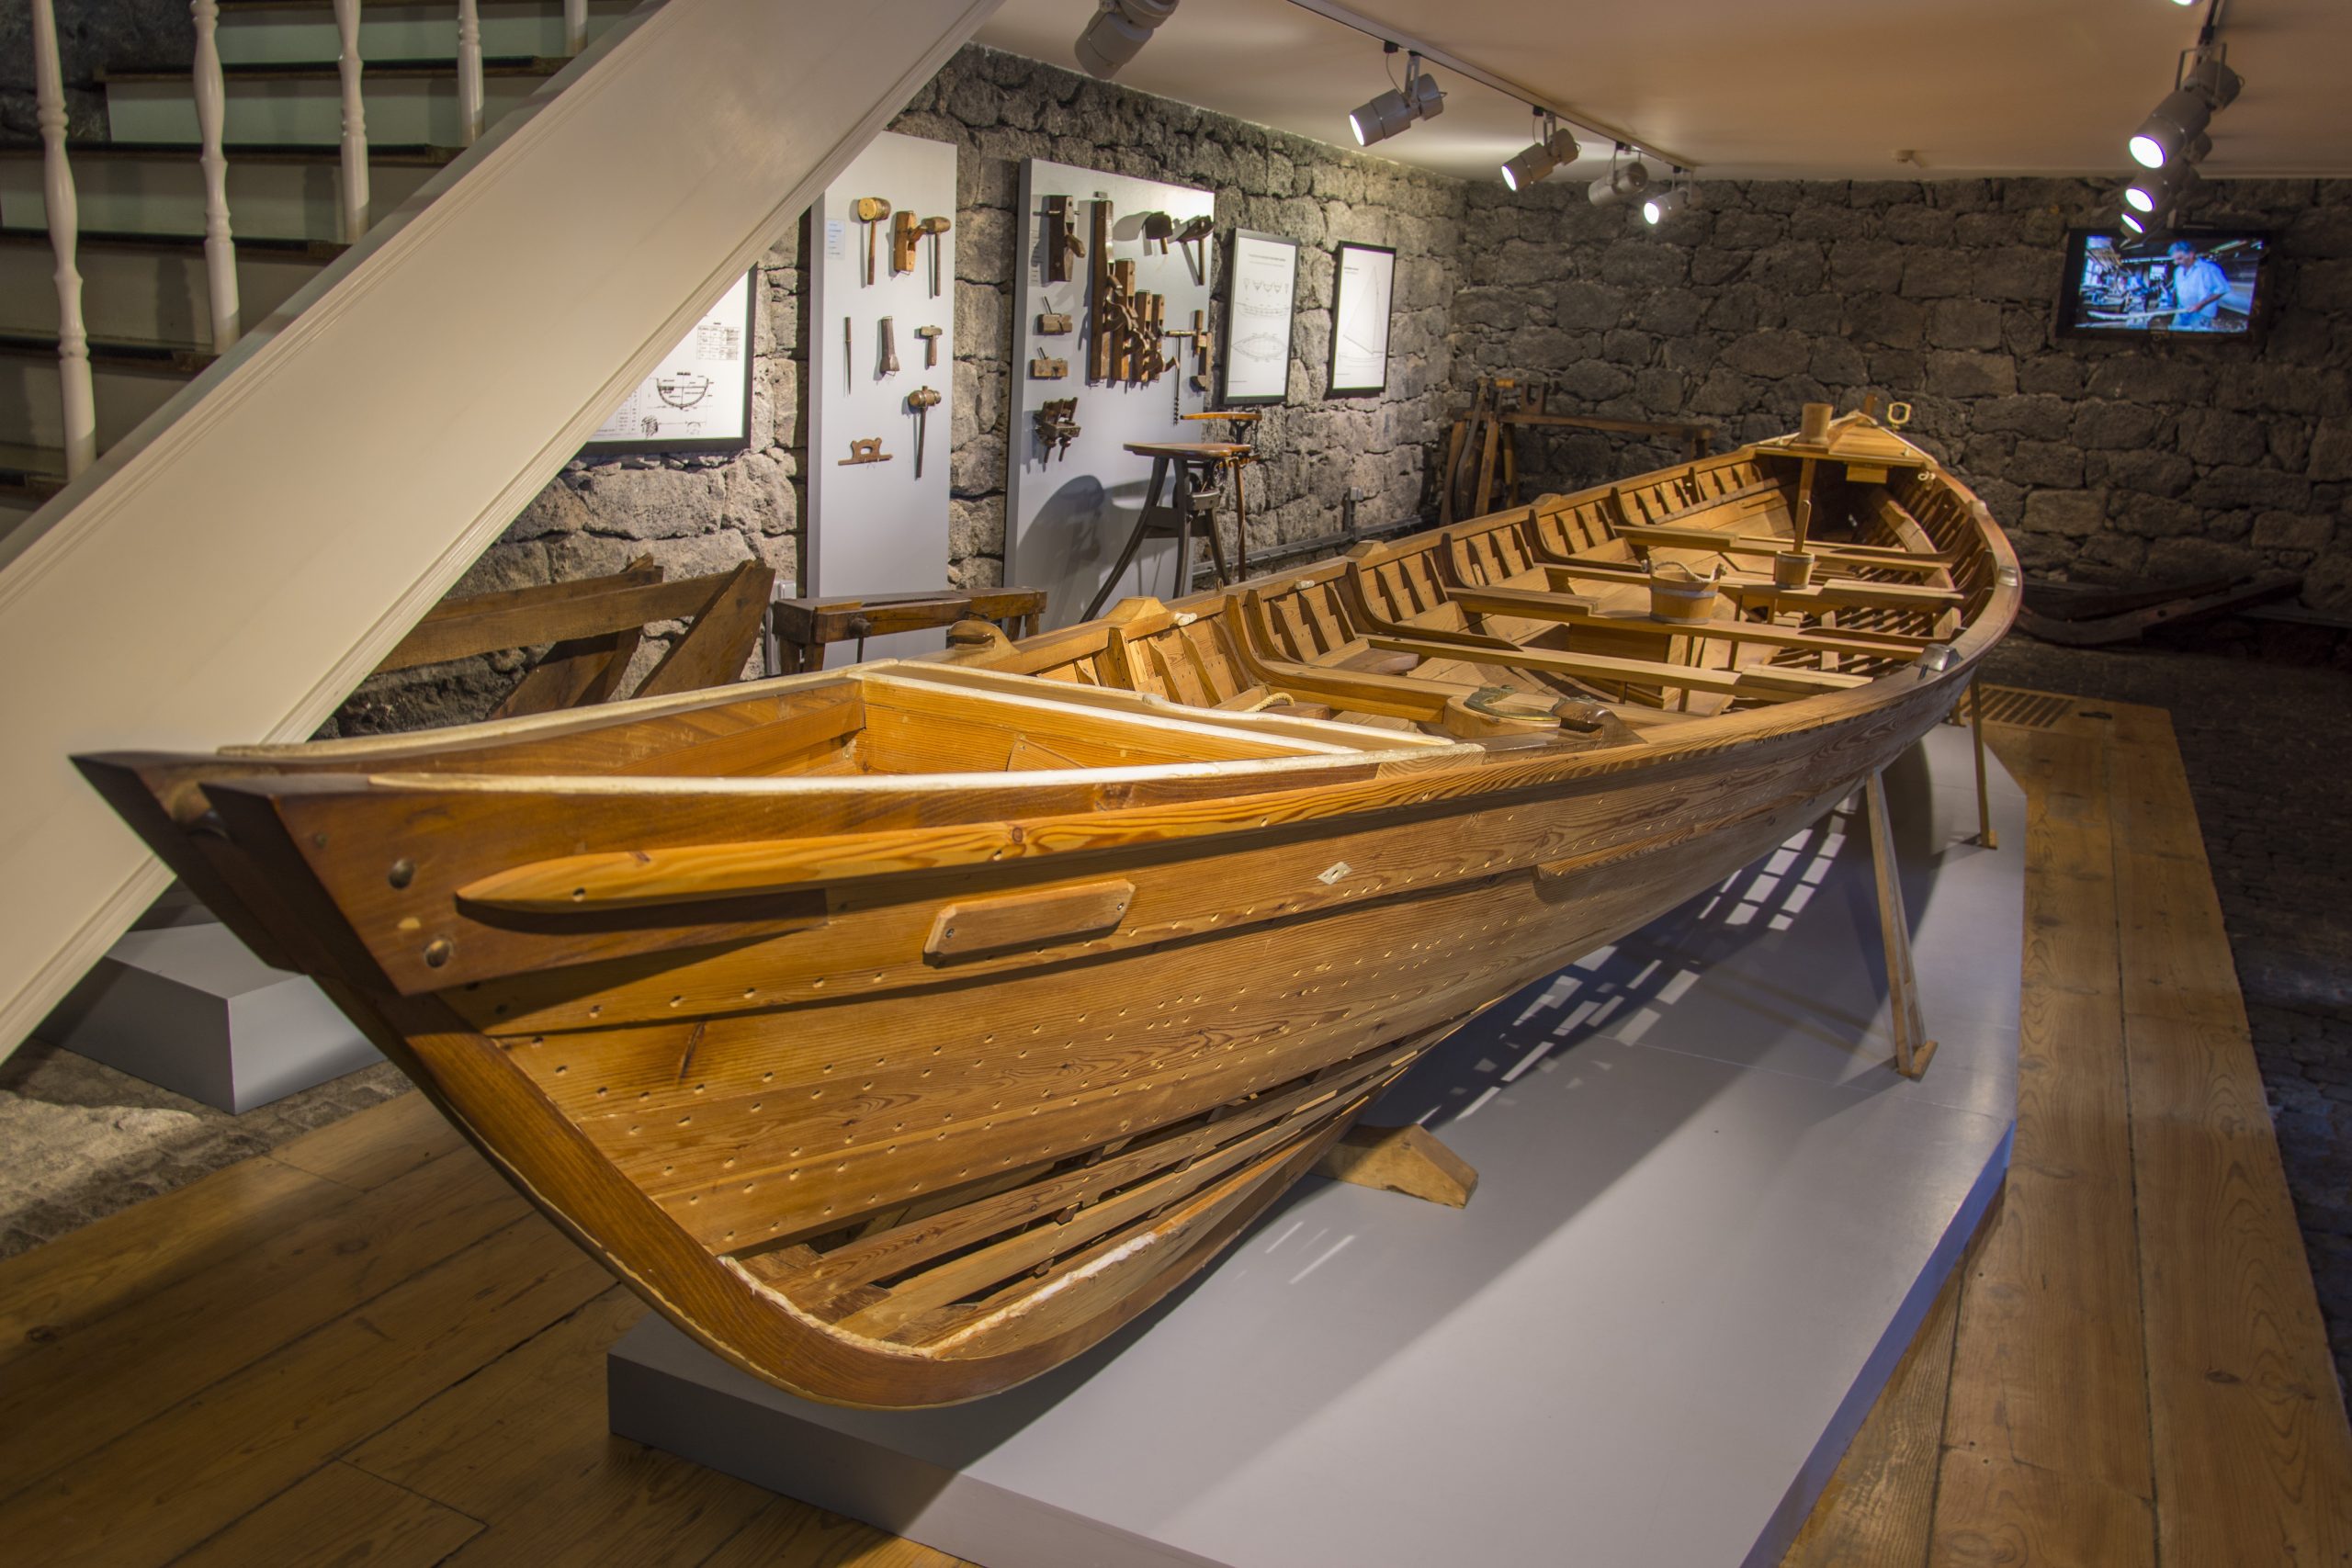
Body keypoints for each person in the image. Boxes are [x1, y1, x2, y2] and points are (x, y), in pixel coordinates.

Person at [2166, 240, 2233, 331]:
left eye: (2179, 258)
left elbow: (2222, 289)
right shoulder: (2178, 271)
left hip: (2202, 313)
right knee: (2175, 333)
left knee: (2196, 339)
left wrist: (2200, 305)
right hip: (2182, 310)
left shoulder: (2209, 269)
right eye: (2174, 259)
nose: (2176, 263)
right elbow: (2177, 289)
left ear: (2190, 254)